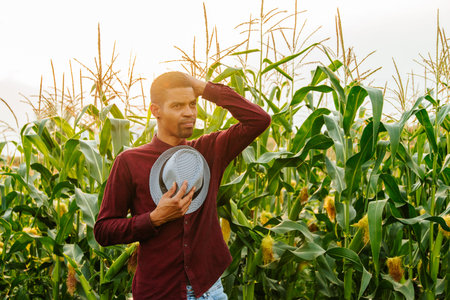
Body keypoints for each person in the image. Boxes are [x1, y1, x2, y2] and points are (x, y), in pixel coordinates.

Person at [94, 71, 271, 299]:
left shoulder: (210, 150)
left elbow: (259, 120)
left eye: (192, 104)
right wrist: (154, 219)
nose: (189, 113)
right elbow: (103, 231)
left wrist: (204, 88)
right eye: (177, 106)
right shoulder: (129, 162)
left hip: (210, 291)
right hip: (159, 292)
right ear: (155, 111)